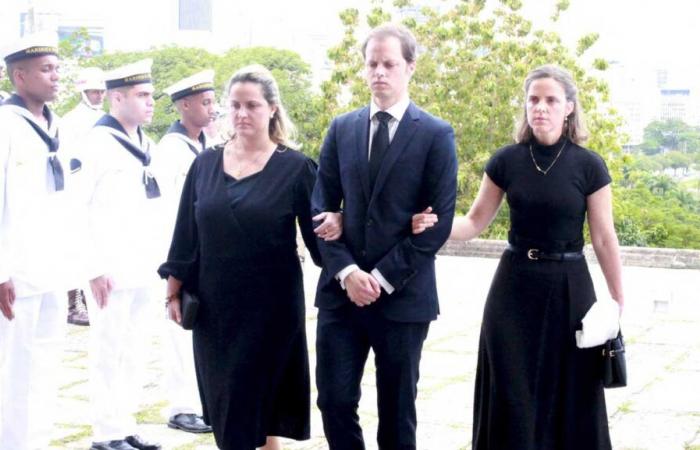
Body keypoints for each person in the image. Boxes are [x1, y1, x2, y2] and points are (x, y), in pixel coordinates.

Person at [412, 64, 624, 450]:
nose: (540, 107)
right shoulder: (506, 160)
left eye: (550, 100)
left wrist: (617, 300)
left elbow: (604, 238)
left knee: (572, 388)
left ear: (569, 108)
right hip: (513, 287)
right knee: (512, 389)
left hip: (570, 288)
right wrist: (435, 225)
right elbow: (474, 222)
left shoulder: (589, 165)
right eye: (533, 100)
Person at [158, 64, 340, 450]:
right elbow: (186, 236)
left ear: (272, 109)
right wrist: (173, 290)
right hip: (215, 311)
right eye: (235, 105)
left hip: (270, 312)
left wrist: (356, 236)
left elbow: (321, 240)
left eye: (252, 105)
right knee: (228, 410)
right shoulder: (204, 164)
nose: (242, 114)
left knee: (263, 409)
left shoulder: (296, 168)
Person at [311, 23, 458, 450]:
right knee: (334, 401)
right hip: (342, 294)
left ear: (410, 67)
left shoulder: (435, 134)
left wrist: (379, 277)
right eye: (372, 64)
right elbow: (321, 209)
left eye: (389, 64)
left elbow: (439, 223)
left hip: (404, 297)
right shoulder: (341, 129)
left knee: (397, 412)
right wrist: (348, 272)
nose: (379, 72)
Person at [0, 32, 107, 450]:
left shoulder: (57, 125)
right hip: (16, 273)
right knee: (11, 371)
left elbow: (70, 202)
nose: (56, 76)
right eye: (46, 69)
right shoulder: (5, 125)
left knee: (44, 370)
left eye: (57, 68)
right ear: (19, 75)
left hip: (51, 270)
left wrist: (82, 265)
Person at [79, 59, 163, 450]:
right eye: (142, 95)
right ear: (116, 97)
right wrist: (93, 267)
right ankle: (105, 432)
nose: (150, 102)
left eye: (150, 94)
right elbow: (77, 208)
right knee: (108, 349)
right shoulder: (94, 143)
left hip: (142, 263)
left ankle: (125, 423)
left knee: (135, 348)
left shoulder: (146, 142)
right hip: (109, 267)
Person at [150, 70, 217, 434]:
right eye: (205, 102)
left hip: (207, 250)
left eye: (212, 101)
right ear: (184, 105)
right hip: (182, 249)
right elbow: (174, 209)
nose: (212, 109)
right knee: (179, 326)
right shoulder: (171, 149)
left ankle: (202, 400)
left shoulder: (206, 142)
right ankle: (181, 406)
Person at [62, 66, 107, 327]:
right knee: (73, 249)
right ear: (83, 92)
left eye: (101, 91)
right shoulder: (72, 121)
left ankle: (85, 300)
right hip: (77, 188)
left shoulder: (103, 118)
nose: (99, 96)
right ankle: (73, 303)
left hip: (98, 192)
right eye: (94, 91)